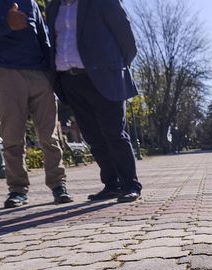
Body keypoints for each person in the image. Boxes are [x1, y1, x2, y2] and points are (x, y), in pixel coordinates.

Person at [0, 0, 71, 208]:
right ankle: (17, 189)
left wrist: (52, 76)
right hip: (4, 71)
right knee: (12, 136)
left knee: (50, 135)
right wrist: (5, 24)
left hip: (40, 73)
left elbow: (43, 39)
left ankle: (58, 185)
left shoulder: (31, 3)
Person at [46, 0, 141, 203]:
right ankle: (111, 184)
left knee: (114, 133)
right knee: (93, 136)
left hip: (104, 77)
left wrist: (115, 68)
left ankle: (130, 184)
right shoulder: (53, 7)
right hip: (70, 79)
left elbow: (126, 39)